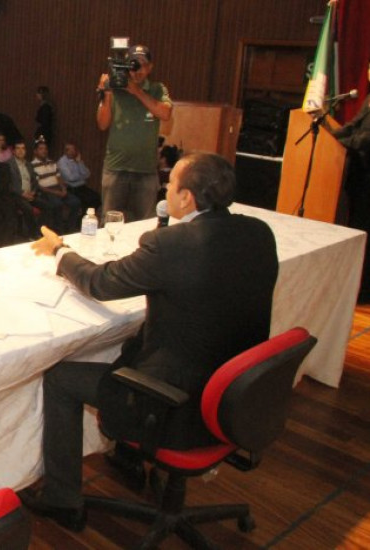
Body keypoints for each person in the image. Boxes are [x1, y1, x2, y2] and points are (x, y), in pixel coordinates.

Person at [21, 153, 278, 532]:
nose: (165, 187)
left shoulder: (172, 244)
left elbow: (101, 283)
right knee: (136, 350)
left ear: (188, 198)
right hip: (233, 396)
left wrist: (60, 251)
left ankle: (63, 499)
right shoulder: (259, 232)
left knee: (61, 377)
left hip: (180, 406)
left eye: (171, 182)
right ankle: (127, 457)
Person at [96, 44, 172, 222]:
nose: (137, 70)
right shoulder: (115, 89)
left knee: (143, 224)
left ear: (150, 67)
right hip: (116, 169)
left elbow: (165, 113)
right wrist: (106, 93)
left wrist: (136, 91)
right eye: (133, 64)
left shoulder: (157, 89)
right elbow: (102, 123)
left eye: (142, 65)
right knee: (110, 223)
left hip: (145, 170)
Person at [325, 63, 370, 302]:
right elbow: (353, 126)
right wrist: (329, 135)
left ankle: (364, 290)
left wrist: (344, 142)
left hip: (368, 174)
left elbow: (365, 138)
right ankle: (357, 284)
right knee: (356, 225)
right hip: (360, 176)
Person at [31, 139, 80, 234]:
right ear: (35, 151)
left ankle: (70, 229)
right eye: (41, 149)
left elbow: (59, 177)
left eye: (45, 148)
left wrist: (63, 189)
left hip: (58, 188)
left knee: (76, 202)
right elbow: (39, 186)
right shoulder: (32, 165)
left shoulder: (52, 162)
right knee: (57, 204)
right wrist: (56, 192)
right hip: (46, 191)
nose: (44, 151)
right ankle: (58, 231)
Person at [57, 142, 101, 213]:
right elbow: (71, 178)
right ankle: (82, 218)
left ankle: (85, 216)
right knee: (87, 200)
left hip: (82, 187)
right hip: (71, 189)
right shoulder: (62, 162)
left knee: (97, 197)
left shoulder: (77, 160)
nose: (72, 152)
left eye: (73, 150)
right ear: (65, 151)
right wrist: (81, 176)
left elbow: (87, 174)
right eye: (69, 150)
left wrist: (79, 162)